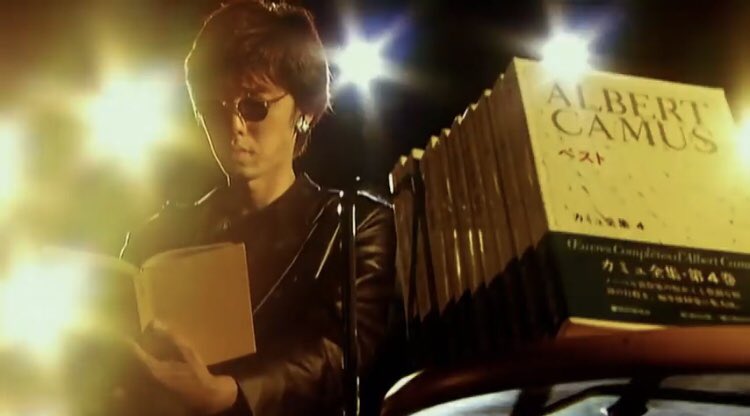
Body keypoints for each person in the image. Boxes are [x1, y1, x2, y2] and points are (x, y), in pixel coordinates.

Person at [118, 1, 399, 414]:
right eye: (214, 109)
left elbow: (340, 351)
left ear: (304, 112)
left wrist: (231, 394)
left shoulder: (352, 223)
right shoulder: (160, 235)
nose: (234, 127)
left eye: (254, 106)